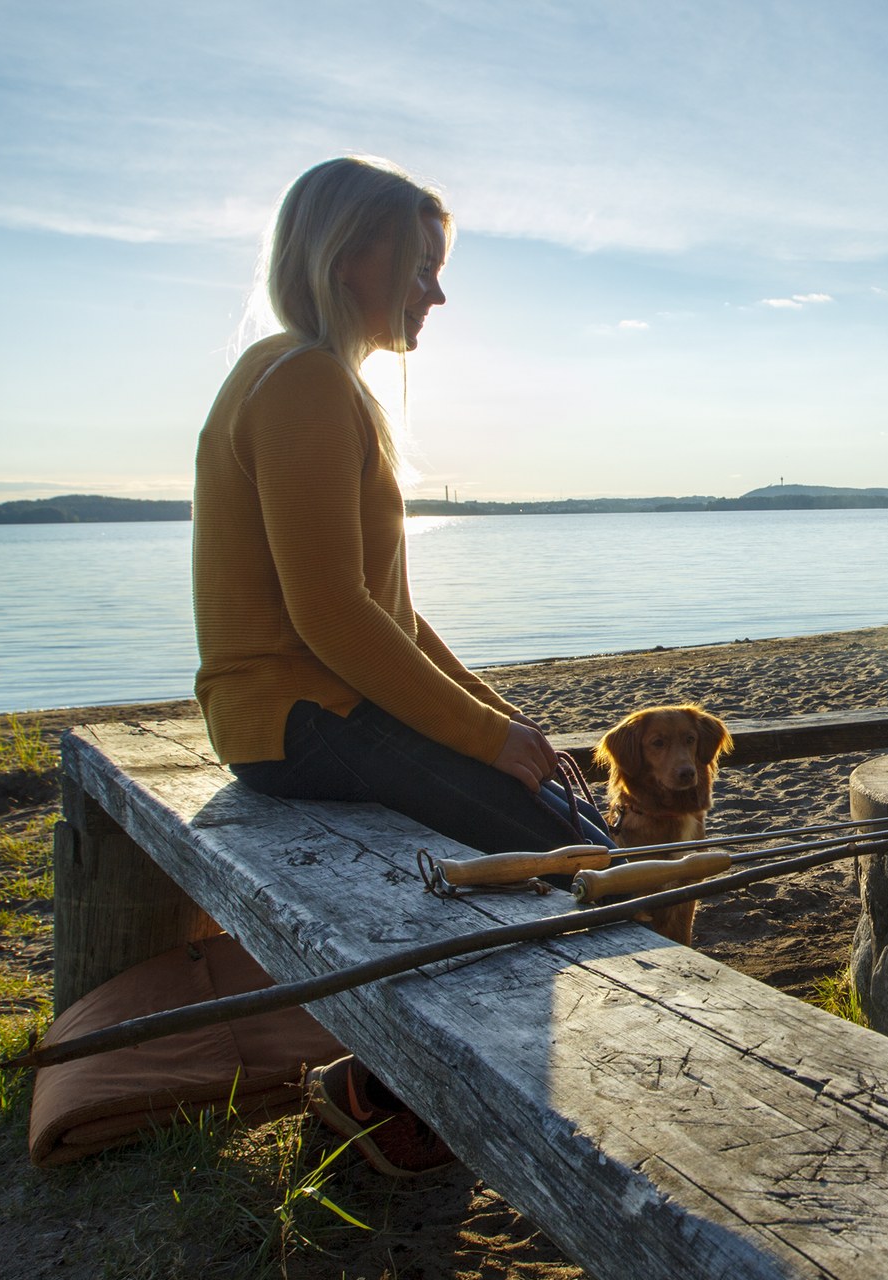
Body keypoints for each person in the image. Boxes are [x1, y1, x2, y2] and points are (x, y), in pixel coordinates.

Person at [193, 156, 616, 1175]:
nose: (437, 289)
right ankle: (396, 1093)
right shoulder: (300, 379)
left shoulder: (304, 375)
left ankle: (393, 1093)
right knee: (577, 859)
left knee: (565, 829)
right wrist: (482, 740)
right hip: (293, 714)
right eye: (423, 263)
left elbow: (396, 616)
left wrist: (501, 720)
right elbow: (331, 616)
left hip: (298, 712)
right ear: (353, 256)